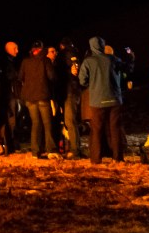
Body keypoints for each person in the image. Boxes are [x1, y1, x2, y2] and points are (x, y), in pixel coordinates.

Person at [78, 36, 128, 164]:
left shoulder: (88, 62)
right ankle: (118, 157)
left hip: (97, 100)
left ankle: (96, 158)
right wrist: (131, 57)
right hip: (115, 99)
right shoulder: (113, 59)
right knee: (115, 129)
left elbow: (82, 80)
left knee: (96, 130)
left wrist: (92, 83)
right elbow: (127, 69)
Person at [18, 41, 60, 159]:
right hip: (43, 95)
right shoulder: (45, 61)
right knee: (47, 123)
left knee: (35, 124)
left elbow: (20, 77)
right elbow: (52, 77)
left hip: (29, 97)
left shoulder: (25, 61)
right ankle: (50, 149)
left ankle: (35, 151)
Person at [55, 39, 84, 158]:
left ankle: (75, 149)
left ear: (62, 46)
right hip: (70, 90)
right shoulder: (74, 54)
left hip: (69, 91)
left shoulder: (66, 55)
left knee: (69, 121)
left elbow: (72, 72)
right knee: (69, 121)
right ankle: (73, 147)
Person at [2, 40, 23, 153]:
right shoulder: (7, 63)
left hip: (14, 94)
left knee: (15, 119)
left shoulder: (12, 62)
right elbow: (11, 77)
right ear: (9, 49)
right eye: (15, 48)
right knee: (12, 120)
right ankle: (12, 144)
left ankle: (13, 144)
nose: (17, 51)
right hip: (11, 95)